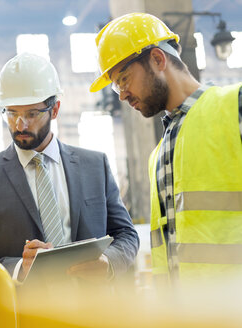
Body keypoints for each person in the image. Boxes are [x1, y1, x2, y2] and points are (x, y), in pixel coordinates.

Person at [0, 52, 139, 288]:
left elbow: (126, 234)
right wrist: (20, 269)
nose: (20, 124)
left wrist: (108, 262)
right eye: (12, 113)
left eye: (32, 114)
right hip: (22, 318)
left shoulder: (94, 166)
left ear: (54, 110)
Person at [90, 12, 242, 286]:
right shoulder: (158, 156)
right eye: (116, 86)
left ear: (158, 59)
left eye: (124, 79)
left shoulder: (234, 106)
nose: (122, 94)